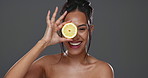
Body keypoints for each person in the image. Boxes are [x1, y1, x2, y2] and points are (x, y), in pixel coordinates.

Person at [4, 0, 114, 78]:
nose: (75, 36)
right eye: (69, 29)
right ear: (61, 29)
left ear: (90, 30)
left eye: (81, 29)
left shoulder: (102, 69)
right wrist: (43, 42)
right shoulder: (46, 64)